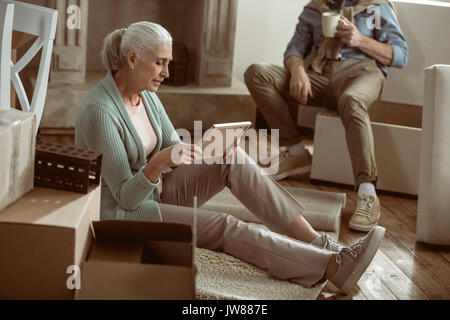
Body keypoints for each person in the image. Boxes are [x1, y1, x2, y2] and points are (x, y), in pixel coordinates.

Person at [75, 21, 385, 295]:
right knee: (226, 225)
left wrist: (208, 146)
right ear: (132, 59)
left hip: (156, 194)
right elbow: (126, 198)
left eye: (168, 63)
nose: (167, 73)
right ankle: (331, 267)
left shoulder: (147, 96)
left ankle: (320, 244)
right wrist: (159, 163)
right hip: (121, 215)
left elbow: (172, 145)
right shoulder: (100, 111)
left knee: (230, 156)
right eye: (160, 63)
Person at [244, 0, 408, 232]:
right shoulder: (314, 9)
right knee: (257, 73)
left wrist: (359, 39)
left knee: (351, 100)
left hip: (362, 73)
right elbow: (294, 49)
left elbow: (400, 54)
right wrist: (297, 70)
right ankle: (296, 152)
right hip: (320, 75)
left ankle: (367, 192)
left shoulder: (374, 8)